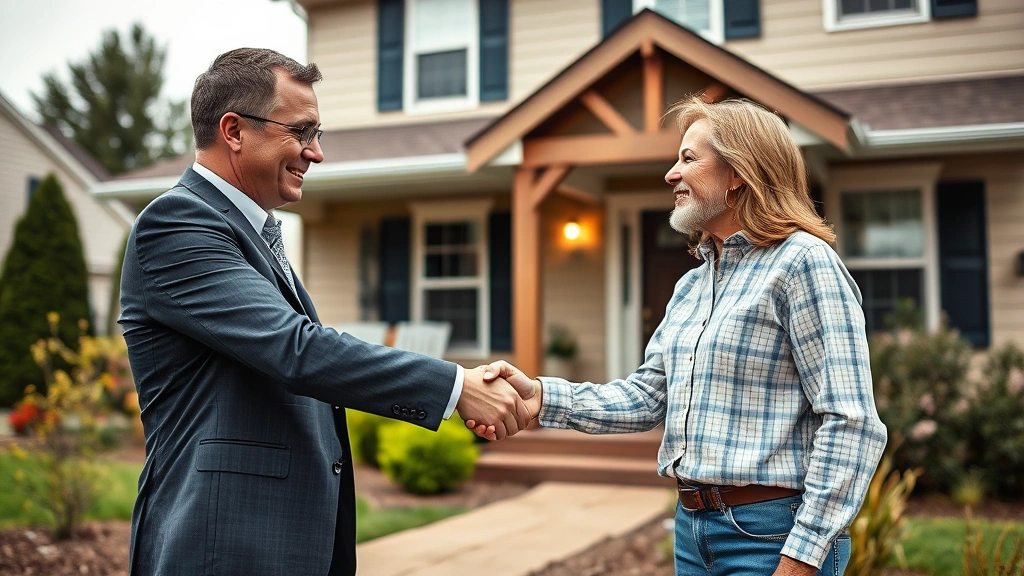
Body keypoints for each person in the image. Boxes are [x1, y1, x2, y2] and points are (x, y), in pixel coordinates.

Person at [119, 48, 531, 576]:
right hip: (221, 544)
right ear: (234, 130)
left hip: (277, 541)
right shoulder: (178, 224)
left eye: (317, 134)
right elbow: (295, 349)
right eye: (301, 131)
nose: (315, 153)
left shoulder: (249, 231)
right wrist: (455, 387)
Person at [470, 96, 887, 576]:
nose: (671, 174)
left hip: (772, 534)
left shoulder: (802, 263)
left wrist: (803, 556)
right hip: (692, 531)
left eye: (689, 158)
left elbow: (852, 422)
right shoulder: (692, 286)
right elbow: (647, 398)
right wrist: (541, 396)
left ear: (739, 173)